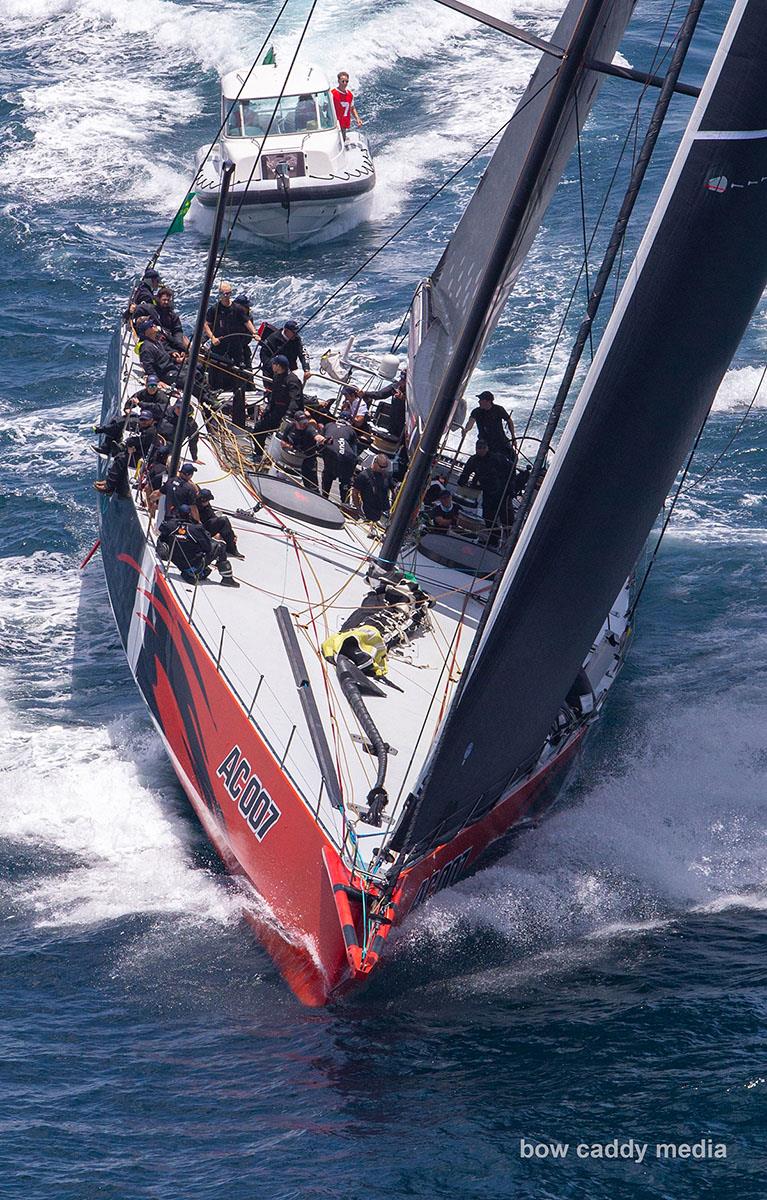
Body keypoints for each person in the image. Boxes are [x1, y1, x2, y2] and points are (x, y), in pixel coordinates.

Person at [157, 505, 239, 587]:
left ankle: (199, 571)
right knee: (220, 546)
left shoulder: (169, 526)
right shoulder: (195, 529)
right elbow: (207, 547)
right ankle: (227, 579)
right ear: (189, 514)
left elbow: (162, 536)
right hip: (193, 565)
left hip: (178, 563)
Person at [253, 355, 304, 453]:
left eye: (274, 364)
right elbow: (274, 395)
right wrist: (268, 409)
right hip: (276, 410)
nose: (272, 365)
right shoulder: (276, 377)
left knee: (282, 439)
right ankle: (258, 454)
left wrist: (287, 416)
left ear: (279, 366)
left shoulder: (292, 380)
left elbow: (296, 399)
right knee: (258, 429)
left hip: (287, 415)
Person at [457, 438, 506, 527]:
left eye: (483, 448)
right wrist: (462, 482)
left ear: (487, 448)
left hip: (498, 488)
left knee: (498, 512)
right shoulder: (474, 459)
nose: (481, 450)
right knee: (487, 513)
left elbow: (505, 471)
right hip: (485, 488)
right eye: (479, 448)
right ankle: (492, 534)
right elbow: (466, 472)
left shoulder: (496, 458)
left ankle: (499, 533)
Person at [464, 390, 517, 459]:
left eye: (481, 400)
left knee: (513, 457)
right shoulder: (476, 411)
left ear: (488, 401)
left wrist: (513, 437)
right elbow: (470, 423)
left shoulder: (498, 409)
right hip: (485, 442)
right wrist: (466, 430)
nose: (479, 402)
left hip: (500, 439)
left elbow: (509, 421)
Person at [279, 411, 323, 490]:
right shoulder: (290, 426)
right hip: (293, 457)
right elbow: (283, 442)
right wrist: (291, 446)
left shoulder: (309, 428)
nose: (304, 425)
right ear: (295, 422)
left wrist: (323, 440)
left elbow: (317, 436)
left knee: (311, 484)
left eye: (305, 422)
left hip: (308, 457)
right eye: (301, 423)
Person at [320, 418, 360, 503]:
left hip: (331, 454)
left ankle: (324, 497)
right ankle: (344, 503)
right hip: (347, 459)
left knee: (327, 474)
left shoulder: (328, 425)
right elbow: (354, 451)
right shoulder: (351, 430)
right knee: (345, 481)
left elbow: (321, 440)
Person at [196, 488, 244, 558]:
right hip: (199, 530)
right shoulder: (194, 507)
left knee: (224, 521)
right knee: (223, 520)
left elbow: (212, 516)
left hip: (207, 526)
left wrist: (229, 533)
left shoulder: (206, 505)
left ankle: (231, 547)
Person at [351, 453, 393, 523]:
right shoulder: (364, 476)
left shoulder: (386, 476)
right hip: (369, 513)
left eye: (385, 467)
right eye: (381, 467)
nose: (383, 469)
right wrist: (359, 510)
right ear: (375, 462)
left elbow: (393, 490)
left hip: (383, 513)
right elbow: (355, 492)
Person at [154, 286, 189, 352]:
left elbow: (177, 331)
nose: (166, 302)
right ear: (159, 299)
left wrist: (179, 344)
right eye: (164, 300)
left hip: (169, 340)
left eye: (168, 300)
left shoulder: (173, 315)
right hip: (156, 341)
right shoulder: (152, 311)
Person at [331, 71, 362, 140]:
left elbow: (352, 107)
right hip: (335, 124)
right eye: (343, 81)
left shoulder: (350, 95)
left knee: (343, 139)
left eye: (346, 81)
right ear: (338, 81)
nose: (345, 83)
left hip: (344, 124)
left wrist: (357, 119)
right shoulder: (332, 93)